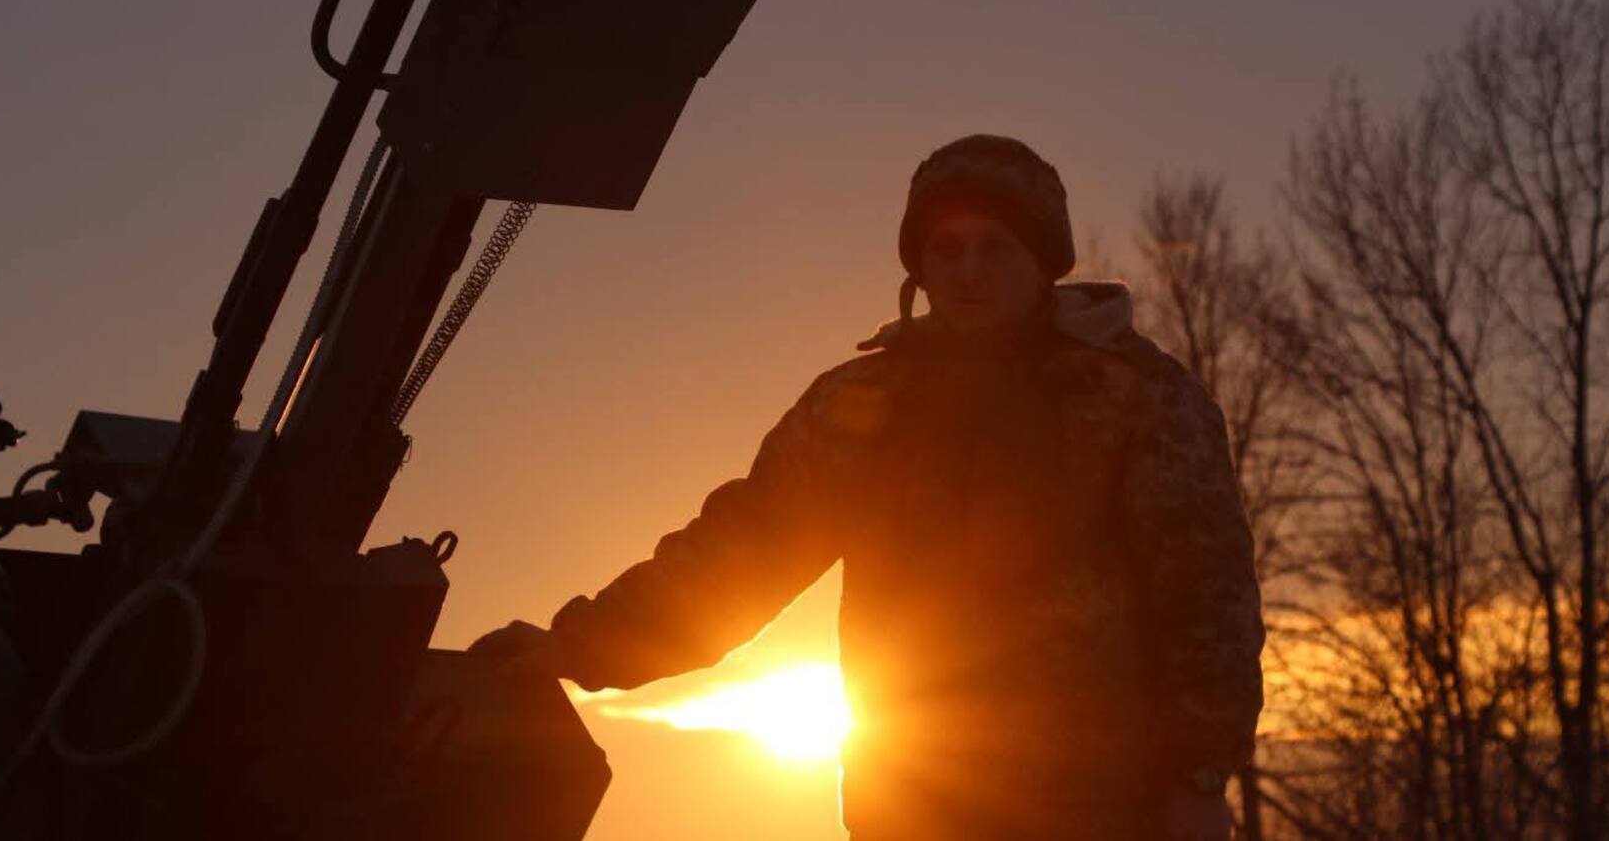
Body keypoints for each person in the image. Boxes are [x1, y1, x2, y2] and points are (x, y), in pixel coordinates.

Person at [473, 134, 1264, 841]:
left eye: (995, 247)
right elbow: (739, 554)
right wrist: (581, 644)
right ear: (918, 266)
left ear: (1043, 261)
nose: (969, 271)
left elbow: (1205, 598)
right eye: (946, 249)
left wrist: (1196, 781)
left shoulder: (1138, 398)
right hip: (912, 805)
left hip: (1102, 811)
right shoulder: (865, 409)